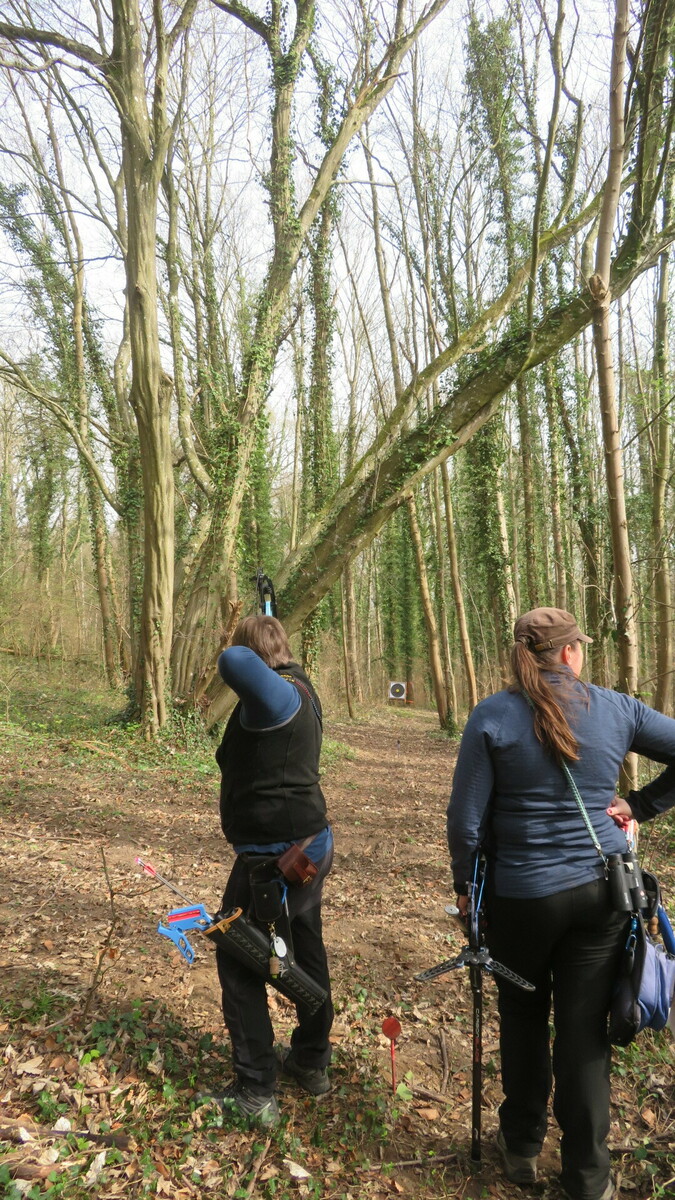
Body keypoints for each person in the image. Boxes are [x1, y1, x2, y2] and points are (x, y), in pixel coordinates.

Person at [446, 607, 675, 1200]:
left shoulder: (493, 715)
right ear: (571, 652)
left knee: (523, 1018)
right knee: (583, 1032)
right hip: (601, 895)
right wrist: (640, 805)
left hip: (519, 899)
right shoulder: (617, 709)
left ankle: (522, 1146)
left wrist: (467, 892)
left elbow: (465, 823)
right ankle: (588, 1179)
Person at [210, 615, 334, 1126]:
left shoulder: (278, 697)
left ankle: (256, 1090)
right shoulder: (296, 688)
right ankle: (311, 1060)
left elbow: (234, 660)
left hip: (275, 860)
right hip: (305, 846)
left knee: (239, 958)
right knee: (304, 945)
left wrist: (242, 643)